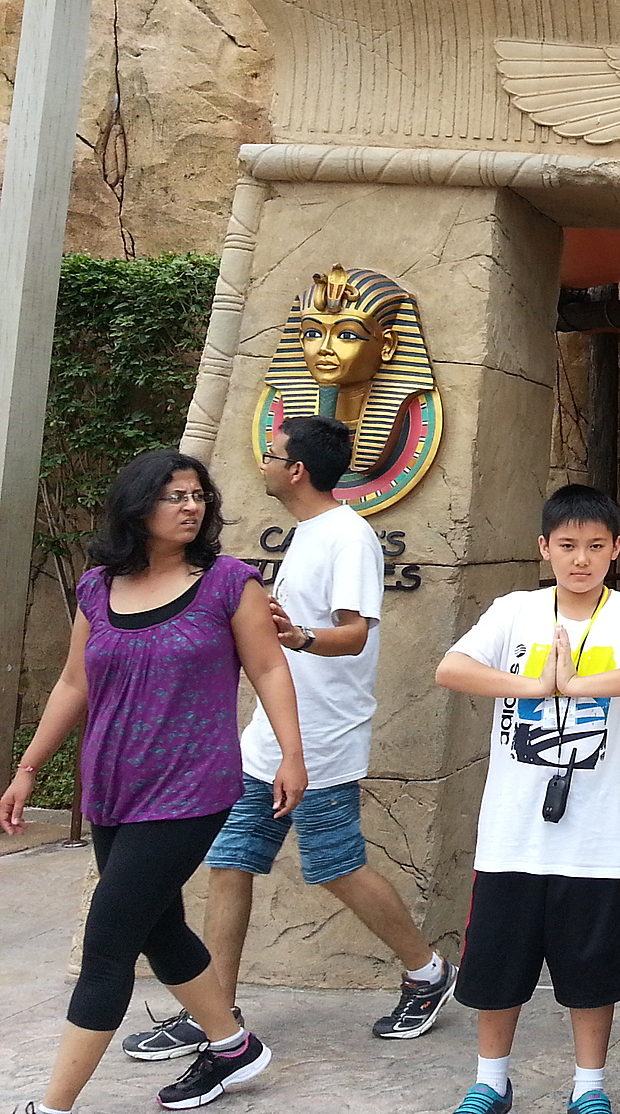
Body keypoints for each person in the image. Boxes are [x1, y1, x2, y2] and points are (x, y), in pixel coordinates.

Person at [119, 417, 451, 1064]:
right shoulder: (309, 533)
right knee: (230, 861)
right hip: (269, 738)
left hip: (324, 737)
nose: (263, 464)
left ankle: (427, 972)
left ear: (297, 470)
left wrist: (300, 637)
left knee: (336, 865)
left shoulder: (348, 536)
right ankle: (216, 1012)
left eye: (272, 455)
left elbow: (354, 634)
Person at [1, 450, 306, 1114]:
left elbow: (269, 669)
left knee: (107, 946)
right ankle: (233, 1047)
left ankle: (52, 1107)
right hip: (113, 784)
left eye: (198, 495)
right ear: (138, 507)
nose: (191, 506)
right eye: (175, 496)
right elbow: (74, 682)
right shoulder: (97, 587)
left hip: (190, 787)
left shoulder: (229, 583)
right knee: (158, 927)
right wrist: (27, 769)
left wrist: (292, 754)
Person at [434, 483, 620, 1114]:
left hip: (593, 837)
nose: (581, 559)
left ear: (616, 549)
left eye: (595, 546)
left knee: (590, 970)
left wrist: (578, 684)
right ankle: (491, 1081)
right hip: (511, 832)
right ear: (544, 547)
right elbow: (451, 668)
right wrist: (536, 685)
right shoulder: (516, 610)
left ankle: (589, 1086)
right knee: (497, 965)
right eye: (567, 545)